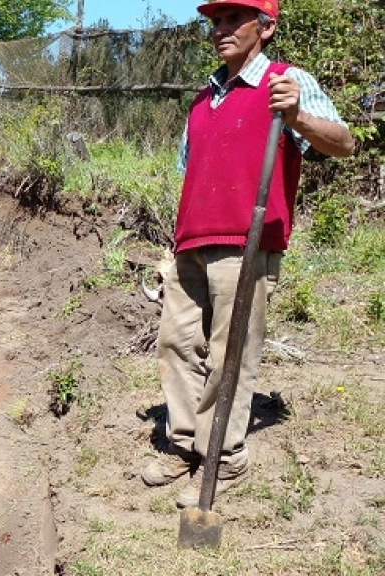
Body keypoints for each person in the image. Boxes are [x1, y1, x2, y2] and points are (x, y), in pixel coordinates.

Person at [141, 0, 356, 508]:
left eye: (233, 18)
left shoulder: (285, 82)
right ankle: (185, 443)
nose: (220, 29)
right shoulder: (201, 101)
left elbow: (344, 143)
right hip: (191, 242)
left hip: (247, 242)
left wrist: (297, 115)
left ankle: (225, 457)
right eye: (215, 21)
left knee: (227, 355)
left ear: (266, 27)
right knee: (174, 343)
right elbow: (191, 173)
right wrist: (171, 247)